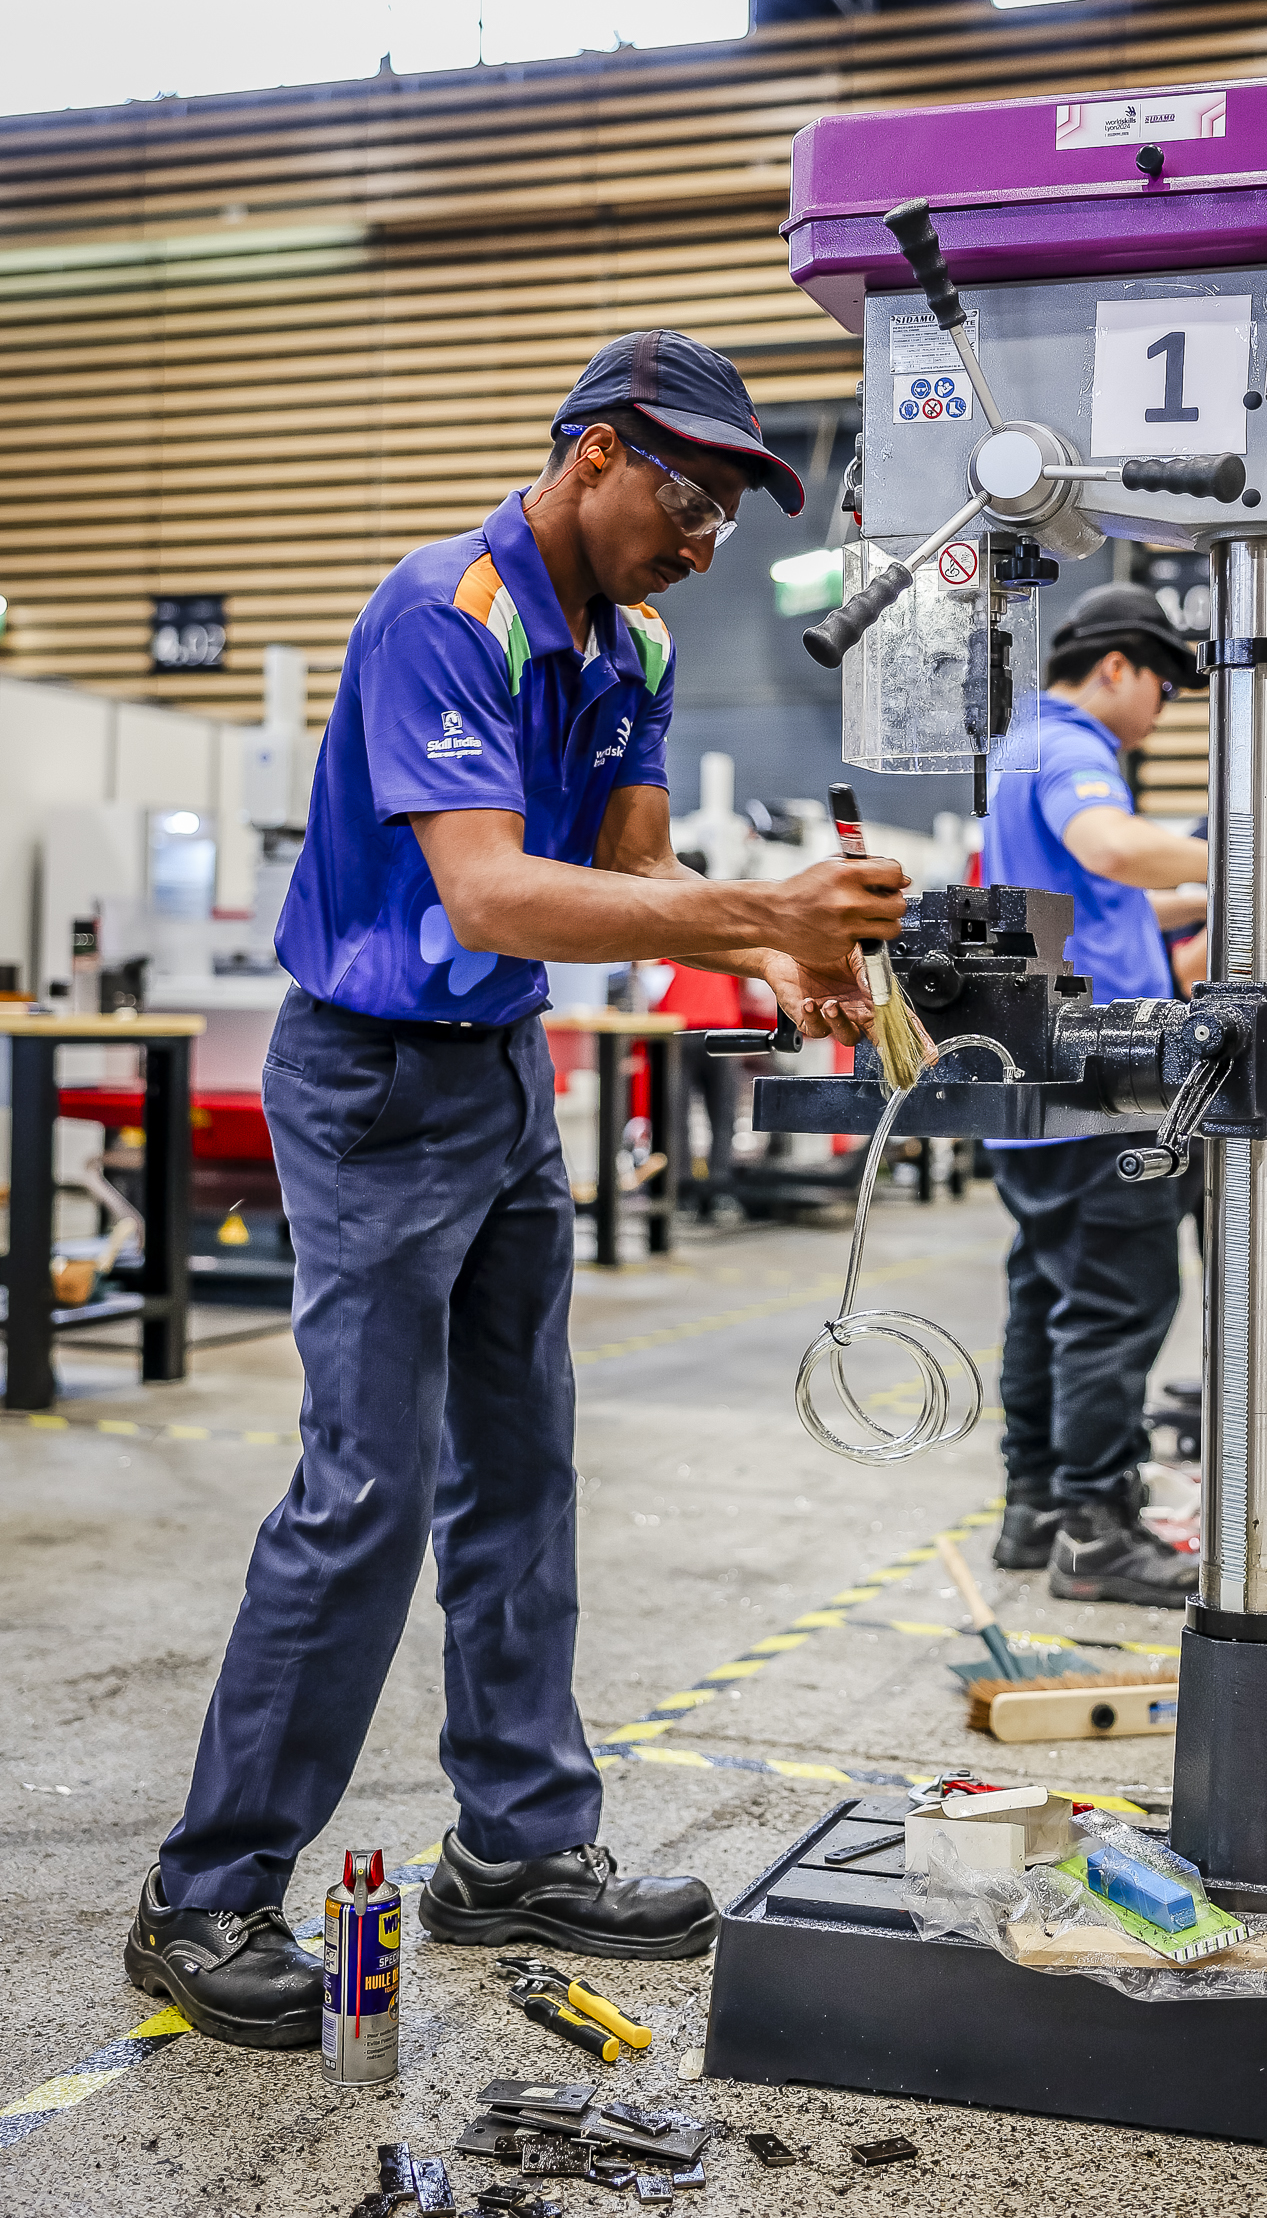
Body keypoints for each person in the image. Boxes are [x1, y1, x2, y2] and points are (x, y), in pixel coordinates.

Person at [125, 332, 906, 2051]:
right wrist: (757, 915)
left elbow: (628, 868)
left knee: (521, 1472)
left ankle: (518, 1849)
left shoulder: (632, 637)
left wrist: (783, 952)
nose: (706, 542)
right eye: (688, 498)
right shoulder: (444, 611)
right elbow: (487, 894)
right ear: (595, 454)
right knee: (367, 1493)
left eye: (728, 517)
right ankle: (206, 1894)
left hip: (495, 1085)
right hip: (370, 1080)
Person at [983, 582, 1209, 1606]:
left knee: (1046, 1288)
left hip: (1034, 1064)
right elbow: (1109, 849)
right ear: (1116, 667)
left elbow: (1109, 888)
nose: (1161, 708)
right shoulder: (1071, 745)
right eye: (1161, 685)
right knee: (1117, 1297)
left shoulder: (1019, 743)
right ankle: (1095, 1528)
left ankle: (1033, 1507)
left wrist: (1209, 891)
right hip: (1100, 1075)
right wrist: (1243, 849)